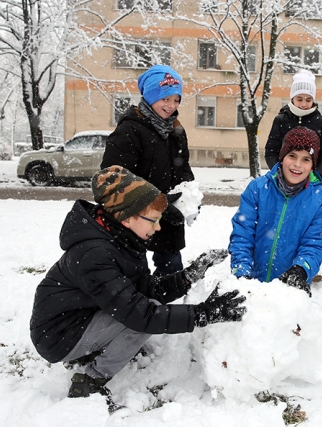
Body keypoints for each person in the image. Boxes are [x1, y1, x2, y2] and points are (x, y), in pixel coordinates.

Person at [29, 166, 246, 400]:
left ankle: (94, 349)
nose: (158, 227)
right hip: (57, 336)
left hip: (83, 317)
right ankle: (91, 379)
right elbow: (142, 316)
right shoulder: (95, 254)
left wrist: (189, 275)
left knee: (142, 309)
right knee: (139, 322)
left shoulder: (123, 239)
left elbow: (145, 288)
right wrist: (205, 313)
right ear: (126, 217)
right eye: (153, 220)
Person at [101, 64, 194, 276]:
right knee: (134, 272)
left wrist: (189, 197)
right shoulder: (129, 130)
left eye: (176, 99)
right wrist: (155, 203)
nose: (172, 105)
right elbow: (113, 179)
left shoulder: (176, 130)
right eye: (165, 99)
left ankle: (167, 304)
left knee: (171, 271)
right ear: (151, 97)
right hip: (135, 217)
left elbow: (183, 167)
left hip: (168, 218)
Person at [230, 127, 322, 296]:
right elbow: (243, 234)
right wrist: (242, 271)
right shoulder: (258, 188)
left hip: (290, 291)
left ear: (312, 165)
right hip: (252, 285)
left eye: (306, 159)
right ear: (282, 157)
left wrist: (301, 269)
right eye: (292, 155)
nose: (297, 164)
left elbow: (315, 243)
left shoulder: (320, 198)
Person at [264, 69, 322, 181]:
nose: (304, 104)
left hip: (310, 182)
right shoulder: (281, 120)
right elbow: (271, 151)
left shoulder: (320, 122)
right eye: (299, 99)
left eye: (308, 99)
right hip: (283, 180)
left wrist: (317, 176)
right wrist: (279, 173)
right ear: (292, 98)